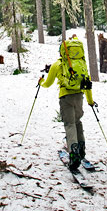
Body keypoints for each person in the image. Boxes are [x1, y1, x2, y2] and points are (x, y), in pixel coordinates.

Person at [38, 35, 95, 170]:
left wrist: (40, 82)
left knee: (69, 124)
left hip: (66, 97)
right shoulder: (82, 64)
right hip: (79, 96)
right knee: (78, 122)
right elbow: (87, 83)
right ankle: (81, 149)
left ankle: (73, 152)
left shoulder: (58, 65)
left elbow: (48, 83)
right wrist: (90, 101)